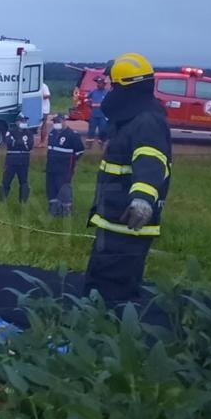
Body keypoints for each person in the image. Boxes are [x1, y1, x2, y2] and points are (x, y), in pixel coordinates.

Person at [84, 53, 172, 303]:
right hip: (114, 220)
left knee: (114, 291)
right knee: (99, 283)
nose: (111, 91)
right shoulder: (134, 118)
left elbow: (152, 161)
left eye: (114, 85)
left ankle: (108, 337)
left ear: (125, 87)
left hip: (129, 223)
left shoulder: (146, 121)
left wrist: (143, 200)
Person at [45, 113, 85, 217]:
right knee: (51, 189)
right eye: (54, 122)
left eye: (58, 121)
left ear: (64, 121)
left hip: (64, 169)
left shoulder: (72, 135)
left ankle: (66, 211)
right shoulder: (52, 133)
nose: (56, 124)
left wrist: (69, 161)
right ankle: (53, 210)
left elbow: (80, 151)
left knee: (63, 189)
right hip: (51, 167)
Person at [0, 113, 34, 203]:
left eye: (25, 120)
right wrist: (22, 143)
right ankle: (2, 200)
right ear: (17, 122)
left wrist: (17, 142)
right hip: (11, 160)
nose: (24, 122)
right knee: (6, 181)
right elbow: (9, 142)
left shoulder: (29, 133)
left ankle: (23, 202)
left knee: (24, 181)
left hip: (24, 160)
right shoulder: (10, 131)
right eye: (22, 120)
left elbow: (29, 146)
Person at [86, 76, 109, 148]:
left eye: (100, 83)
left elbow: (110, 103)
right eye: (98, 83)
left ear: (104, 84)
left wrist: (100, 105)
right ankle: (89, 147)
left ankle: (101, 146)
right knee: (91, 132)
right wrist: (90, 104)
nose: (98, 84)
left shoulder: (107, 93)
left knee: (102, 131)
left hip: (103, 116)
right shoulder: (93, 92)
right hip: (93, 116)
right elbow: (86, 99)